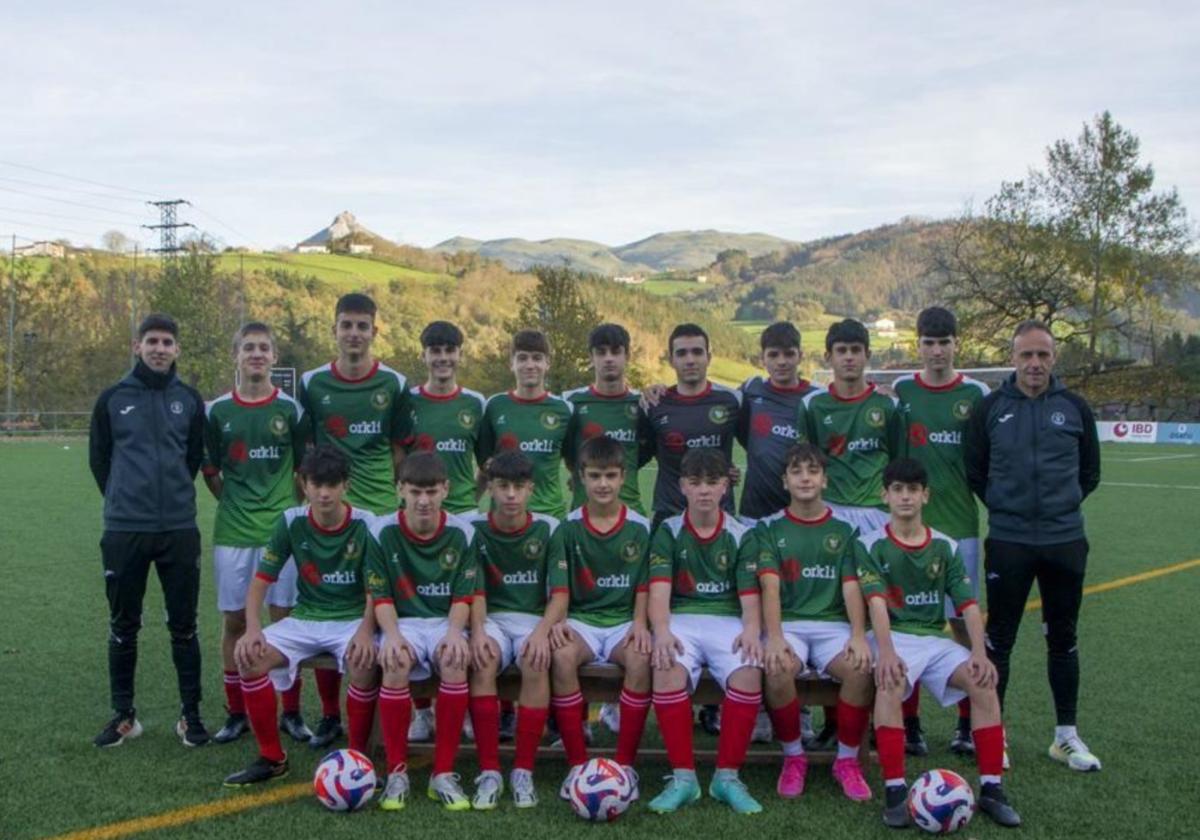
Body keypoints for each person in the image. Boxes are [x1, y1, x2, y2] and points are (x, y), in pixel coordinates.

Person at [965, 319, 1102, 772]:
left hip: (1065, 541)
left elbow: (1089, 474)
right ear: (1013, 357)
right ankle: (994, 735)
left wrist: (1057, 512)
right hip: (1009, 541)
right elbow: (977, 472)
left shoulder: (1075, 407)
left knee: (1063, 638)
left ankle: (1066, 737)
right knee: (999, 639)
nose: (1035, 363)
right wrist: (1010, 510)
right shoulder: (990, 409)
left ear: (1054, 358)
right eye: (1026, 355)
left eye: (1043, 355)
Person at [856, 458, 1020, 828]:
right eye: (897, 489)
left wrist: (980, 653)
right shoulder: (870, 544)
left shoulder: (945, 547)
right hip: (892, 636)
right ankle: (895, 790)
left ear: (925, 495)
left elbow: (967, 606)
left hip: (934, 639)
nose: (905, 497)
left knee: (983, 682)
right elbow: (876, 604)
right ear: (885, 495)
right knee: (890, 682)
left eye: (913, 490)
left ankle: (992, 789)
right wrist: (887, 653)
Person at [222, 445, 379, 786]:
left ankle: (356, 760)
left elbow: (375, 591)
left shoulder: (366, 523)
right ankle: (272, 758)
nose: (324, 493)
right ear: (303, 485)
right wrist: (252, 629)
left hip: (352, 619)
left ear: (345, 485)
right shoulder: (291, 521)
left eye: (332, 484)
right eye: (316, 485)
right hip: (305, 617)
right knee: (249, 658)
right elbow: (260, 582)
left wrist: (366, 632)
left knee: (364, 662)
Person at [88, 312, 209, 748]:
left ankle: (190, 715)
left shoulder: (191, 400)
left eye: (167, 342)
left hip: (178, 528)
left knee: (185, 625)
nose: (159, 348)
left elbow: (192, 458)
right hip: (124, 530)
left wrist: (170, 498)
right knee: (124, 624)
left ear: (177, 349)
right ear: (137, 347)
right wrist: (126, 501)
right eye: (152, 341)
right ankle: (124, 716)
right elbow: (100, 461)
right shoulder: (112, 399)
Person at [299, 292, 411, 747]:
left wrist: (398, 505)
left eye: (362, 326)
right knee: (327, 602)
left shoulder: (394, 383)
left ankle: (390, 705)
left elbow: (400, 448)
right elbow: (306, 452)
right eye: (346, 325)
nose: (354, 334)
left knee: (380, 608)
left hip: (380, 514)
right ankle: (329, 714)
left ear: (374, 332)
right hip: (329, 511)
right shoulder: (311, 382)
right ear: (334, 329)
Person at [203, 322, 311, 745]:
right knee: (234, 621)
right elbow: (211, 474)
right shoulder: (217, 411)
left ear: (274, 357)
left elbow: (303, 472)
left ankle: (293, 712)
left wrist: (289, 513)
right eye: (248, 347)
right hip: (233, 532)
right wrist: (235, 502)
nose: (256, 354)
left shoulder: (290, 410)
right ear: (236, 354)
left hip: (281, 532)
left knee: (284, 622)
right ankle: (236, 713)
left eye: (264, 348)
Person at [892, 306, 991, 756]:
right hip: (908, 528)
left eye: (944, 342)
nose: (936, 350)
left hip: (960, 528)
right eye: (928, 343)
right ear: (919, 346)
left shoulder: (976, 392)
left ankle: (967, 725)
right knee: (907, 622)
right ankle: (909, 725)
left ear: (956, 344)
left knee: (961, 622)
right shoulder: (902, 391)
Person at [800, 317, 901, 749]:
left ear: (866, 356)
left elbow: (897, 463)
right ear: (829, 357)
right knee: (836, 612)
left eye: (855, 350)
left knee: (883, 613)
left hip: (877, 517)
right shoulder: (814, 406)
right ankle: (833, 719)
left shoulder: (888, 407)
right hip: (833, 515)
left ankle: (885, 719)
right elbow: (806, 461)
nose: (848, 358)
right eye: (840, 350)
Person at [645, 448, 764, 815]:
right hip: (681, 618)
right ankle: (684, 779)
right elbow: (660, 591)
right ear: (682, 486)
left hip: (727, 620)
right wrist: (661, 631)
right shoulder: (667, 530)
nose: (703, 491)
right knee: (665, 669)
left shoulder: (742, 534)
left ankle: (726, 778)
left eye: (712, 482)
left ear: (725, 486)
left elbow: (749, 595)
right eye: (695, 483)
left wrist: (751, 630)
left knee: (748, 673)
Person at [756, 443, 873, 801]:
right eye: (796, 471)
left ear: (824, 480)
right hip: (788, 625)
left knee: (860, 668)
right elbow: (769, 588)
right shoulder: (768, 528)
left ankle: (847, 761)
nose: (805, 478)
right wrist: (774, 637)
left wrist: (857, 635)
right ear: (785, 481)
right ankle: (794, 758)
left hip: (832, 627)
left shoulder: (844, 530)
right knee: (777, 668)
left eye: (812, 471)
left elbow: (853, 589)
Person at [366, 452, 482, 811]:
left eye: (431, 491)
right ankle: (397, 772)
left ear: (446, 490)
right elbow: (380, 594)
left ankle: (442, 774)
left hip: (445, 621)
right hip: (402, 624)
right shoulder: (381, 531)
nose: (423, 500)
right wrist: (393, 636)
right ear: (400, 489)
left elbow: (464, 595)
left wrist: (453, 633)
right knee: (395, 661)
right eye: (415, 491)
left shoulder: (463, 532)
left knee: (453, 659)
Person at [549, 435, 654, 801]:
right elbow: (560, 590)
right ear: (580, 477)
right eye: (595, 476)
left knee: (641, 658)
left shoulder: (641, 527)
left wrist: (641, 625)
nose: (603, 484)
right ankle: (577, 766)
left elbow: (644, 587)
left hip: (625, 621)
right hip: (582, 621)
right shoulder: (567, 528)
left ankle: (625, 767)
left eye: (610, 475)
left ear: (623, 476)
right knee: (561, 657)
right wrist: (558, 623)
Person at [466, 451, 568, 808]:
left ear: (531, 490)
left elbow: (560, 594)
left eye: (518, 488)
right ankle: (490, 769)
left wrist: (541, 632)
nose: (511, 495)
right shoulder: (473, 529)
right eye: (503, 486)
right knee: (483, 660)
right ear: (490, 488)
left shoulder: (550, 527)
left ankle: (523, 769)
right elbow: (474, 591)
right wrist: (478, 632)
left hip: (532, 621)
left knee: (536, 660)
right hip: (490, 619)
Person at [639, 324, 741, 532]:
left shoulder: (731, 401)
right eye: (682, 353)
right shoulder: (654, 404)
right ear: (671, 360)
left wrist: (731, 471)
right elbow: (638, 455)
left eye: (697, 352)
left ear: (709, 357)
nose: (690, 360)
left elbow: (757, 447)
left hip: (720, 515)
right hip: (670, 514)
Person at [476, 329, 572, 518]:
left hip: (549, 516)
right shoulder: (495, 406)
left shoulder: (564, 409)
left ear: (547, 364)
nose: (530, 365)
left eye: (537, 358)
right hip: (503, 518)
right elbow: (484, 467)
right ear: (511, 364)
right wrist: (472, 503)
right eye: (522, 358)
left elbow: (575, 465)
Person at [736, 321, 821, 521]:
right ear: (762, 359)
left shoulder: (817, 398)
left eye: (789, 354)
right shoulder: (750, 389)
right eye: (773, 355)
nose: (781, 362)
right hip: (754, 512)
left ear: (800, 356)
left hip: (803, 511)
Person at [563, 322, 647, 514]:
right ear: (591, 357)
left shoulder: (642, 404)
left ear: (627, 356)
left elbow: (649, 452)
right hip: (583, 516)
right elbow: (566, 453)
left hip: (631, 516)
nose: (609, 358)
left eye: (616, 352)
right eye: (601, 352)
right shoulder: (570, 403)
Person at [404, 320, 486, 515]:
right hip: (416, 512)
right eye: (435, 351)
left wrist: (471, 499)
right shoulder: (407, 401)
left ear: (460, 355)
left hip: (463, 512)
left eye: (450, 350)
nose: (443, 357)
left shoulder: (476, 403)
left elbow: (486, 464)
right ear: (423, 356)